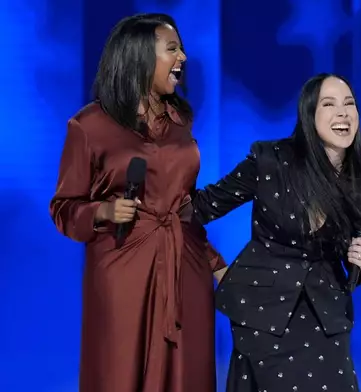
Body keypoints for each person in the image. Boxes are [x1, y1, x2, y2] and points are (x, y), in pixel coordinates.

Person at [49, 13, 226, 392]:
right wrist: (103, 211)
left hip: (185, 270)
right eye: (173, 49)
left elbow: (185, 205)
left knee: (188, 374)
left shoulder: (180, 121)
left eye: (182, 48)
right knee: (118, 372)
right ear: (139, 57)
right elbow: (63, 207)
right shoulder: (89, 126)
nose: (184, 58)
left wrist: (215, 264)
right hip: (123, 271)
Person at [191, 73, 361, 392]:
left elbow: (357, 262)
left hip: (326, 317)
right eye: (330, 104)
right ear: (309, 114)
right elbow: (200, 209)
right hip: (263, 315)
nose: (343, 113)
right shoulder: (270, 160)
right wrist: (215, 264)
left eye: (349, 104)